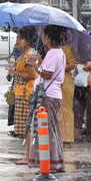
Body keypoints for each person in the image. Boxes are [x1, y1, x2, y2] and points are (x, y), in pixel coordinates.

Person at [27, 25, 66, 172]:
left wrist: (35, 65)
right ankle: (56, 161)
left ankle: (50, 163)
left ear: (49, 38)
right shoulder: (59, 53)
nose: (42, 38)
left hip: (48, 96)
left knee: (46, 129)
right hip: (54, 94)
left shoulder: (53, 53)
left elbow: (47, 73)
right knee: (53, 128)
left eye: (44, 36)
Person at [8, 27, 38, 139]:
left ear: (28, 41)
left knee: (26, 127)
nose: (17, 41)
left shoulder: (28, 56)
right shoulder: (24, 55)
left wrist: (15, 72)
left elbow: (32, 75)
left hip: (26, 92)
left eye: (20, 39)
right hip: (21, 92)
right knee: (23, 126)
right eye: (17, 38)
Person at [60, 32, 76, 145]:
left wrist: (58, 68)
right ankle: (60, 135)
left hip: (65, 81)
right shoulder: (53, 50)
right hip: (58, 81)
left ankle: (67, 137)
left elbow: (72, 64)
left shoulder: (67, 48)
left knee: (66, 110)